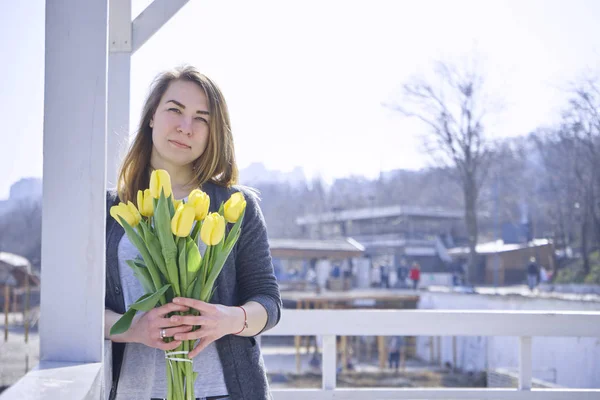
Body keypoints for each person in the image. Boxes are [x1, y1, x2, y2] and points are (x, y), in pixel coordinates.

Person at [104, 66, 282, 400]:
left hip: (226, 392)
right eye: (175, 110)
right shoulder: (112, 211)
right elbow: (79, 312)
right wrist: (135, 329)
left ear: (214, 132)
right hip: (133, 392)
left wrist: (226, 319)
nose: (186, 127)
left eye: (202, 118)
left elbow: (268, 303)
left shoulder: (236, 205)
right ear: (151, 117)